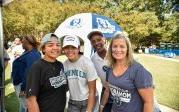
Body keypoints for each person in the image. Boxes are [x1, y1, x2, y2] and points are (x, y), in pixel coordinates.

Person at [100, 32, 154, 112]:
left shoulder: (138, 70)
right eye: (115, 46)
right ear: (111, 48)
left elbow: (148, 102)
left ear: (127, 49)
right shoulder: (110, 68)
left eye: (122, 46)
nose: (118, 50)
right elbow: (108, 90)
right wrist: (102, 106)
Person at [26, 33, 68, 112]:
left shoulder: (60, 65)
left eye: (58, 45)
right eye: (50, 45)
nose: (55, 48)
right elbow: (31, 100)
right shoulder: (37, 67)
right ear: (43, 49)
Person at [62, 35, 98, 112]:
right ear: (63, 49)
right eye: (67, 47)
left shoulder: (87, 63)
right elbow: (65, 87)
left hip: (88, 99)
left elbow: (92, 91)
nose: (70, 50)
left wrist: (89, 110)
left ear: (78, 48)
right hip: (73, 101)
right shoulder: (64, 65)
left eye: (73, 47)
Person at [11, 35, 41, 112]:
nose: (22, 43)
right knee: (23, 106)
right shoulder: (29, 52)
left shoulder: (33, 55)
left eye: (23, 41)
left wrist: (23, 89)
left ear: (28, 43)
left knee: (28, 107)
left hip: (24, 86)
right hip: (20, 83)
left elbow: (30, 72)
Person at [87, 30, 112, 112]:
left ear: (104, 40)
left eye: (99, 40)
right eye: (93, 41)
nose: (96, 43)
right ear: (91, 44)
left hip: (121, 89)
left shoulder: (114, 53)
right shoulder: (93, 59)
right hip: (106, 90)